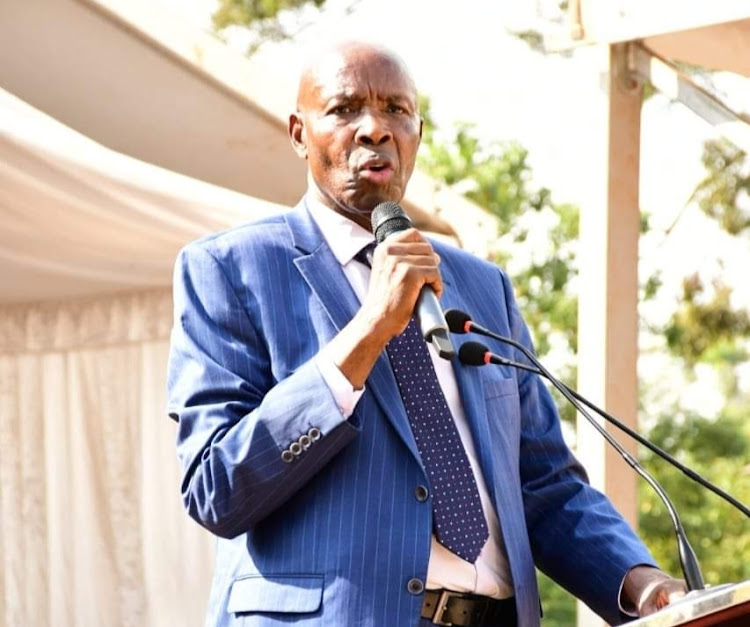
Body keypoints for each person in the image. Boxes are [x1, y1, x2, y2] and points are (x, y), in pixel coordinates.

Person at [167, 40, 687, 627]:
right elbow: (216, 483)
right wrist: (369, 330)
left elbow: (544, 485)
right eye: (344, 110)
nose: (375, 130)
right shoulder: (230, 268)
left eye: (396, 110)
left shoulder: (480, 285)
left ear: (418, 131)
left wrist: (641, 584)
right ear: (298, 133)